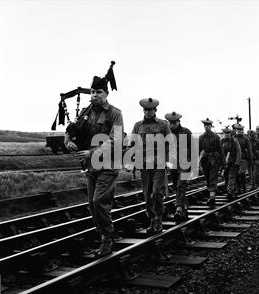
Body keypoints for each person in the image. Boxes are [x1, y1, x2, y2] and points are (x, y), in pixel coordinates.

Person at [65, 74, 124, 257]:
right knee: (92, 204)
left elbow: (117, 138)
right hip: (91, 166)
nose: (95, 95)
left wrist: (93, 151)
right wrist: (68, 141)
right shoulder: (86, 112)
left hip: (108, 164)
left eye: (98, 92)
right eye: (92, 92)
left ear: (106, 94)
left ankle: (107, 237)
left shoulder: (115, 113)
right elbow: (71, 131)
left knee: (100, 202)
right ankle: (103, 235)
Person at [127, 98, 175, 234]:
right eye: (145, 110)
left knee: (157, 193)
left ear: (155, 110)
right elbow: (133, 145)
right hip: (144, 164)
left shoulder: (163, 125)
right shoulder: (138, 126)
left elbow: (170, 144)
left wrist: (169, 160)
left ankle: (158, 219)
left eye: (150, 110)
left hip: (159, 163)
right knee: (147, 195)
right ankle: (152, 219)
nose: (147, 112)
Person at [165, 111, 193, 222]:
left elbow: (192, 149)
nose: (172, 125)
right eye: (170, 123)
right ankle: (184, 208)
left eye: (174, 122)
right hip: (173, 164)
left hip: (185, 163)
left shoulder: (186, 132)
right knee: (177, 186)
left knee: (181, 185)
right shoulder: (167, 134)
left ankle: (179, 208)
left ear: (178, 122)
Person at [199, 118, 225, 207]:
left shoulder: (216, 137)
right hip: (205, 160)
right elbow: (199, 151)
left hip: (214, 160)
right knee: (207, 179)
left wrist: (223, 164)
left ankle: (212, 197)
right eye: (205, 125)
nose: (206, 127)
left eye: (208, 125)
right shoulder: (201, 137)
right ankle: (211, 194)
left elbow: (221, 151)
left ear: (211, 126)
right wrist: (199, 163)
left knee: (213, 178)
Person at [220, 127, 241, 200]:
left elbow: (239, 152)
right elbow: (219, 153)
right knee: (225, 177)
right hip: (224, 164)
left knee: (231, 177)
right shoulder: (221, 141)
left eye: (228, 133)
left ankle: (230, 192)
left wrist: (237, 162)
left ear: (230, 134)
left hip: (233, 163)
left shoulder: (234, 141)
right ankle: (229, 190)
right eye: (225, 133)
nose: (226, 135)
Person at [234, 124, 253, 194]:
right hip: (235, 159)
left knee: (241, 173)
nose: (239, 131)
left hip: (243, 158)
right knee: (236, 174)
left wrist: (251, 159)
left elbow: (249, 149)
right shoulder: (233, 138)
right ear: (236, 130)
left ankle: (244, 188)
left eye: (240, 130)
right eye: (238, 130)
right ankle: (238, 188)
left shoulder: (246, 139)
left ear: (242, 131)